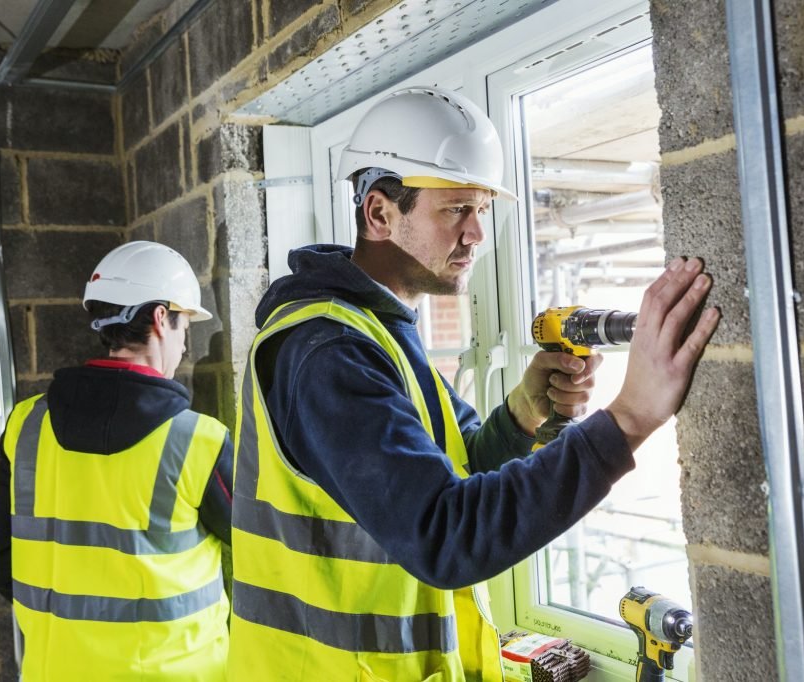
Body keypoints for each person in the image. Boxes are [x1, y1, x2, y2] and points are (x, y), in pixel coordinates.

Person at [227, 86, 720, 681]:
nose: (477, 234)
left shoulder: (378, 332)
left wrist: (520, 416)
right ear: (379, 213)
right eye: (455, 209)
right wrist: (631, 417)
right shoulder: (328, 352)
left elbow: (452, 475)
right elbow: (445, 533)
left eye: (481, 209)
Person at [0, 241, 233, 681]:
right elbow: (268, 550)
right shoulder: (196, 441)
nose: (186, 346)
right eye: (185, 325)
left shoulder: (26, 425)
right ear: (160, 318)